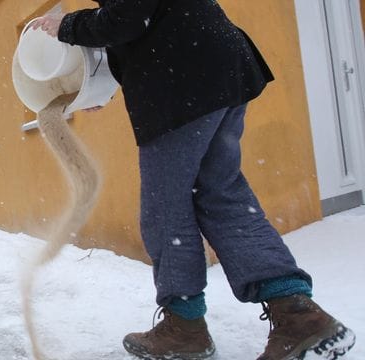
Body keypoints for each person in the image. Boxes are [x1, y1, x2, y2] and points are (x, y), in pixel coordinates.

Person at [31, 1, 356, 359]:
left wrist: (67, 25)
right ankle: (296, 312)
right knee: (221, 195)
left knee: (166, 208)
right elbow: (144, 22)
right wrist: (100, 86)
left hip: (181, 83)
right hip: (214, 68)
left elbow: (126, 17)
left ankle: (184, 328)